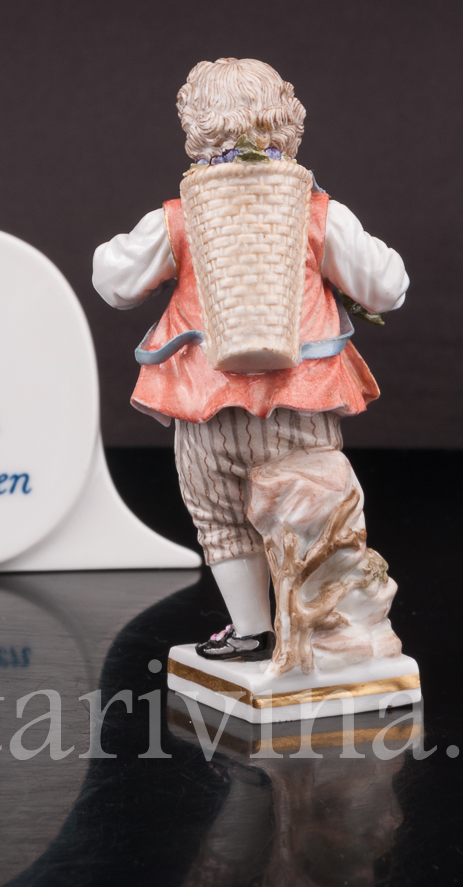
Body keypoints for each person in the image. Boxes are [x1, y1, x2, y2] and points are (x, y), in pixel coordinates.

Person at [93, 58, 408, 669]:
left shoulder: (179, 216)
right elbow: (386, 287)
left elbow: (116, 283)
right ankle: (326, 634)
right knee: (313, 517)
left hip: (206, 401)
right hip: (301, 400)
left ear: (196, 126)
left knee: (219, 514)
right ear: (286, 120)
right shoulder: (317, 212)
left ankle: (252, 631)